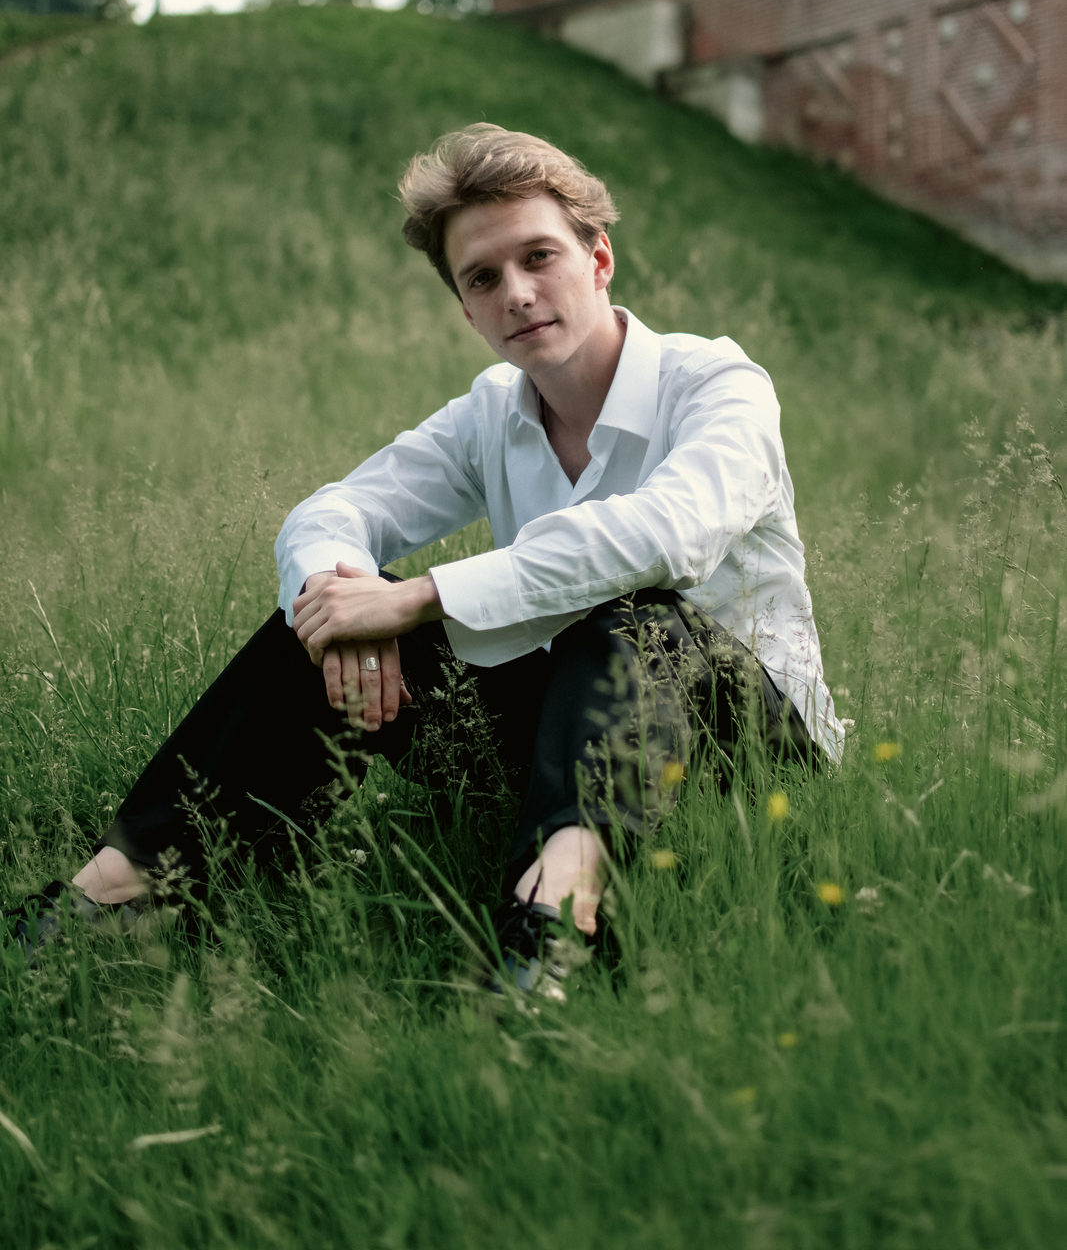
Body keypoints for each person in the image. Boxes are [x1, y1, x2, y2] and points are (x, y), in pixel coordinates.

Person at [10, 124, 841, 994]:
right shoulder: (492, 412)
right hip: (562, 740)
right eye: (483, 278)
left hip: (740, 753)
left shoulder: (715, 385)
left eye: (539, 257)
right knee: (325, 614)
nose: (517, 293)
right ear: (467, 310)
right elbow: (335, 512)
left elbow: (669, 533)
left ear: (598, 259)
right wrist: (344, 601)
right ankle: (116, 893)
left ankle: (553, 923)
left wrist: (419, 599)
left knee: (636, 617)